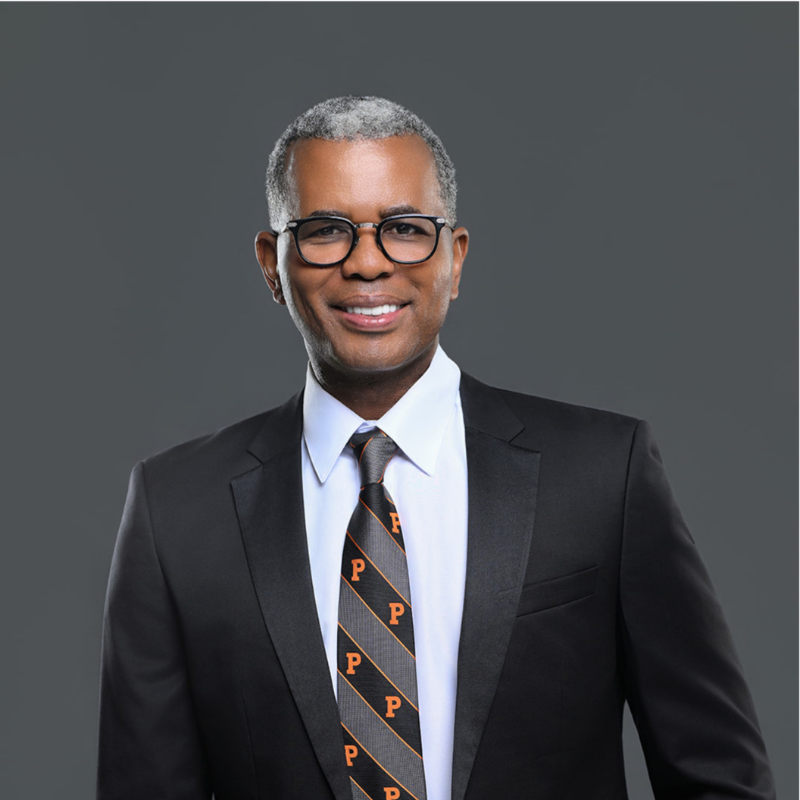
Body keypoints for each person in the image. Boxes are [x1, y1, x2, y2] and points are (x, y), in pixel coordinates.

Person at [96, 96, 775, 800]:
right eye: (327, 230)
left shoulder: (604, 476)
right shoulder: (175, 514)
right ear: (274, 264)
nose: (368, 263)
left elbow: (719, 778)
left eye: (405, 229)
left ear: (454, 257)